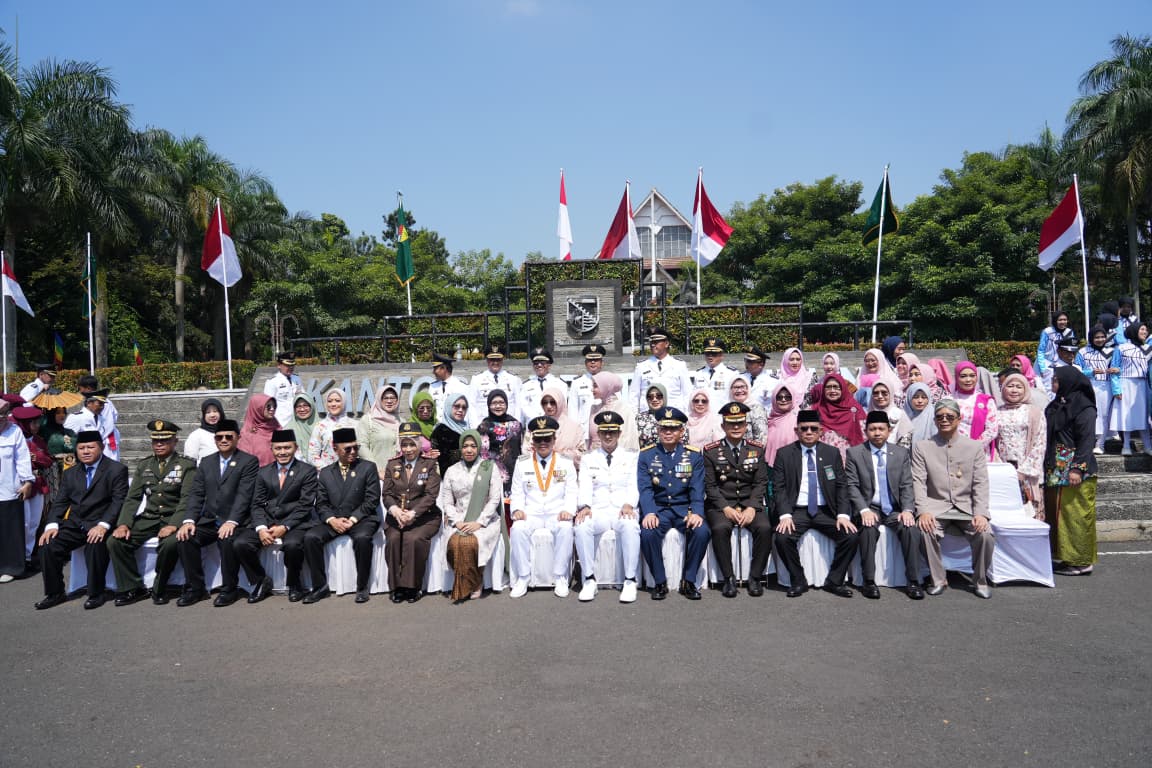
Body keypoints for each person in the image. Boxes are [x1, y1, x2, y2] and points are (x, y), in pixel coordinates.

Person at [166, 418, 262, 608]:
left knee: (227, 539)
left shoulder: (248, 461)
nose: (223, 440)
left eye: (228, 436)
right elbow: (197, 494)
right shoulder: (207, 462)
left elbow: (244, 496)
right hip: (210, 520)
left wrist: (232, 521)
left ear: (238, 438)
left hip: (237, 521)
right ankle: (196, 589)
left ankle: (229, 589)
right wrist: (188, 520)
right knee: (185, 538)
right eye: (219, 437)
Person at [106, 420, 198, 606]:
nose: (159, 444)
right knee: (115, 541)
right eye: (156, 441)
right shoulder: (145, 465)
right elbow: (133, 498)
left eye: (165, 441)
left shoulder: (186, 465)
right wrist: (123, 524)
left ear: (175, 442)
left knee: (170, 544)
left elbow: (186, 499)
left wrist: (174, 525)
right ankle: (133, 587)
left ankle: (159, 586)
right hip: (150, 518)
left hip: (173, 518)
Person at [34, 430, 129, 610]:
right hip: (75, 524)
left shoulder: (116, 470)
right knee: (48, 545)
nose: (85, 451)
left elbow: (119, 501)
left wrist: (103, 525)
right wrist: (52, 525)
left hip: (102, 523)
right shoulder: (71, 473)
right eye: (81, 448)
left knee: (95, 545)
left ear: (101, 447)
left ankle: (96, 593)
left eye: (90, 447)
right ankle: (55, 593)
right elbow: (61, 501)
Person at [912, 399, 996, 599]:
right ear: (934, 420)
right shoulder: (922, 447)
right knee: (923, 530)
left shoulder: (974, 447)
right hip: (936, 506)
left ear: (959, 419)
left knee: (985, 535)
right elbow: (918, 482)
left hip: (966, 507)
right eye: (940, 417)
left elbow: (980, 483)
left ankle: (980, 580)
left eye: (950, 416)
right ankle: (938, 579)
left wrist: (981, 514)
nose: (944, 420)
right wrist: (923, 511)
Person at [771, 410, 857, 598]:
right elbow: (779, 487)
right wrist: (785, 514)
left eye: (813, 428)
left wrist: (843, 514)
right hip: (797, 510)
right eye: (804, 429)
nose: (809, 432)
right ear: (796, 431)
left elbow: (842, 485)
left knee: (850, 536)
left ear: (821, 431)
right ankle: (798, 580)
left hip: (825, 510)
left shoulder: (831, 453)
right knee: (782, 538)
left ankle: (835, 581)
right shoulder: (784, 454)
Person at [845, 411, 925, 600]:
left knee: (910, 529)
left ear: (889, 431)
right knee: (867, 529)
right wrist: (864, 510)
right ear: (866, 431)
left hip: (894, 508)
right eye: (872, 429)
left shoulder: (900, 453)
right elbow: (852, 486)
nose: (877, 433)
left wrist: (907, 510)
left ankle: (913, 581)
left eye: (881, 429)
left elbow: (906, 484)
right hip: (870, 506)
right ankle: (868, 581)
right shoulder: (855, 453)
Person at [637, 407, 709, 601]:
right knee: (647, 533)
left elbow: (697, 488)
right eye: (664, 428)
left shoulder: (693, 455)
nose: (668, 432)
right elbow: (645, 488)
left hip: (684, 509)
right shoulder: (646, 455)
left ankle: (689, 580)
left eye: (673, 428)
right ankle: (660, 582)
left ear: (681, 431)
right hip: (659, 509)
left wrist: (697, 512)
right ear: (658, 430)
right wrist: (649, 512)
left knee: (702, 532)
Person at [303, 427, 381, 604]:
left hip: (361, 519)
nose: (353, 452)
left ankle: (362, 587)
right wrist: (332, 520)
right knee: (310, 538)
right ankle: (320, 587)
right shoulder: (326, 472)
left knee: (362, 539)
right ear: (335, 448)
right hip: (335, 519)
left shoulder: (368, 467)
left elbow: (372, 499)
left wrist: (353, 519)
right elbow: (321, 503)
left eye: (356, 447)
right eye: (348, 449)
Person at [703, 402, 772, 598]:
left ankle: (755, 577)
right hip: (722, 504)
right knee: (720, 528)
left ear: (745, 426)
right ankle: (728, 578)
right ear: (723, 426)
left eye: (740, 423)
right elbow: (710, 486)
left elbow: (760, 482)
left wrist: (751, 508)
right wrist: (726, 508)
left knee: (765, 528)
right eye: (731, 423)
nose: (735, 427)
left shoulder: (756, 449)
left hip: (750, 503)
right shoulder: (711, 450)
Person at [574, 411, 641, 603]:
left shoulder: (631, 456)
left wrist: (630, 503)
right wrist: (585, 505)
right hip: (599, 510)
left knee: (630, 526)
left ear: (619, 433)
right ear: (598, 434)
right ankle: (589, 579)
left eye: (612, 432)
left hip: (622, 508)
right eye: (604, 432)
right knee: (581, 526)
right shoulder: (589, 458)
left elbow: (634, 484)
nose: (608, 436)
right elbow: (585, 484)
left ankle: (630, 580)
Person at [508, 416, 578, 598]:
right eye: (538, 439)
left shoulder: (566, 462)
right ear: (533, 441)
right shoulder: (522, 463)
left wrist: (568, 510)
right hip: (531, 513)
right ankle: (523, 576)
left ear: (554, 439)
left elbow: (572, 491)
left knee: (566, 528)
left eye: (547, 438)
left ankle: (560, 576)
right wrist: (517, 509)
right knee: (517, 529)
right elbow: (517, 491)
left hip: (557, 512)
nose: (543, 443)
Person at [251, 429, 318, 602]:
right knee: (240, 543)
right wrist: (261, 528)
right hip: (268, 522)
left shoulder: (307, 471)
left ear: (295, 448)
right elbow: (257, 504)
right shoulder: (263, 472)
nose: (282, 452)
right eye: (278, 448)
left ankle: (295, 584)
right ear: (271, 449)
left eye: (287, 448)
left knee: (293, 545)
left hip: (295, 523)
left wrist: (285, 526)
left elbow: (305, 505)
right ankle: (260, 580)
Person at [438, 430, 505, 603]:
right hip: (459, 518)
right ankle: (465, 581)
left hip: (486, 519)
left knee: (471, 542)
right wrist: (457, 521)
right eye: (465, 446)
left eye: (473, 446)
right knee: (455, 542)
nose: (469, 450)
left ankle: (476, 581)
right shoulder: (452, 470)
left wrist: (480, 522)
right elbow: (447, 501)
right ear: (461, 448)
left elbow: (494, 499)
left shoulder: (489, 467)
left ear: (479, 448)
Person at [1044, 367, 1099, 576]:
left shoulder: (1084, 408)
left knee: (1075, 514)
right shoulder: (1058, 404)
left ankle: (1081, 561)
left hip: (1075, 468)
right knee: (1059, 514)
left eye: (1056, 380)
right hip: (1056, 465)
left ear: (1068, 382)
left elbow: (1086, 441)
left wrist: (1077, 468)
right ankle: (1067, 557)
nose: (1053, 383)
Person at [380, 422, 442, 603]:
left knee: (413, 539)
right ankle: (396, 586)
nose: (408, 449)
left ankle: (413, 586)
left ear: (419, 443)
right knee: (393, 539)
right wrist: (395, 511)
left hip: (425, 516)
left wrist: (412, 514)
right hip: (397, 515)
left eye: (412, 444)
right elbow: (387, 494)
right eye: (404, 444)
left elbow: (431, 495)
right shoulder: (392, 464)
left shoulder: (430, 464)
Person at [997, 373, 1048, 518]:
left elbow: (1040, 442)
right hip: (1003, 471)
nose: (1014, 390)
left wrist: (1023, 471)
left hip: (1027, 473)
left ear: (1025, 389)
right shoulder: (997, 411)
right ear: (1003, 388)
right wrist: (1000, 466)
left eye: (1019, 387)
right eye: (1010, 386)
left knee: (1030, 515)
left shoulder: (1035, 412)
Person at [12, 405, 51, 569]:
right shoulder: (15, 438)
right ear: (25, 424)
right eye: (33, 423)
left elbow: (48, 460)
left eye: (37, 422)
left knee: (34, 522)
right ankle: (18, 556)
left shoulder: (38, 440)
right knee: (24, 522)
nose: (37, 426)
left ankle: (28, 556)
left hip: (38, 483)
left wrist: (37, 457)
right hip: (21, 485)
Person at [0, 400, 35, 584]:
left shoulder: (14, 431)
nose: (2, 419)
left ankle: (11, 567)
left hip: (8, 488)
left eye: (4, 415)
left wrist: (27, 481)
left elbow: (22, 458)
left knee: (10, 530)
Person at [1109, 322, 1151, 456]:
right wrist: (1116, 389)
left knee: (1144, 417)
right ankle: (1126, 446)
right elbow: (1114, 369)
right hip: (1125, 384)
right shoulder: (1122, 348)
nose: (1145, 332)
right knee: (1125, 415)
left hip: (1143, 386)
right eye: (1142, 329)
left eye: (1146, 330)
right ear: (1134, 331)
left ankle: (1148, 446)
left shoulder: (1148, 348)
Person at [630, 327, 694, 412]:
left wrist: (686, 415)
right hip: (648, 414)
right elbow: (634, 394)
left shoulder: (679, 365)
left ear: (666, 344)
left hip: (672, 414)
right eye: (651, 342)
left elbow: (687, 393)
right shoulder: (642, 366)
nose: (653, 345)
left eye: (656, 342)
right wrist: (634, 415)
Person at [1079, 326, 1120, 454]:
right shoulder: (1083, 352)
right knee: (1088, 414)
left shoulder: (1112, 351)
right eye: (1097, 337)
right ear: (1091, 338)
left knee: (1104, 415)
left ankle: (1100, 444)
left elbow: (1120, 368)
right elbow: (1076, 369)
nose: (1100, 339)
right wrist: (1091, 372)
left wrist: (1117, 370)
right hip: (1088, 385)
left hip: (1105, 386)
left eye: (1102, 337)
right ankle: (1088, 442)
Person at [477, 389, 523, 493]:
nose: (498, 406)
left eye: (501, 403)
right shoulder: (484, 426)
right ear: (489, 405)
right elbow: (482, 453)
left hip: (514, 471)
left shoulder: (515, 424)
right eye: (494, 403)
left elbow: (521, 449)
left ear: (506, 404)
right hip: (492, 472)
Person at [811, 373, 865, 458]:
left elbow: (863, 436)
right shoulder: (815, 410)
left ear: (843, 388)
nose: (832, 390)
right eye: (828, 387)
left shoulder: (855, 409)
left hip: (850, 459)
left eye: (836, 387)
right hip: (824, 458)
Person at [953, 361, 999, 458]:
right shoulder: (949, 400)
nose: (968, 380)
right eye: (963, 376)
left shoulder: (986, 401)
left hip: (979, 452)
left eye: (972, 375)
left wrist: (973, 447)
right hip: (954, 452)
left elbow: (992, 430)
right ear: (956, 378)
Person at [469, 343, 523, 426]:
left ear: (502, 360)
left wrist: (516, 425)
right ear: (487, 360)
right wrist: (476, 427)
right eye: (492, 360)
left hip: (508, 425)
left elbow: (518, 404)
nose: (495, 362)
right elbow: (471, 405)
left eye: (498, 360)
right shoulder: (477, 379)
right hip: (484, 425)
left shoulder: (513, 379)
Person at [587, 371, 638, 452]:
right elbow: (590, 439)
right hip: (594, 456)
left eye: (595, 386)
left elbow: (628, 439)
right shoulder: (594, 408)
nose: (592, 389)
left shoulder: (623, 409)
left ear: (606, 386)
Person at [308, 389, 357, 469]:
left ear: (344, 402)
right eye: (330, 401)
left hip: (352, 471)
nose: (333, 404)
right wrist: (328, 471)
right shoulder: (320, 426)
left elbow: (360, 451)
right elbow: (312, 454)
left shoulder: (355, 425)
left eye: (337, 401)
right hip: (327, 472)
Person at [567, 343, 607, 441]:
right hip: (584, 433)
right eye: (589, 360)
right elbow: (573, 411)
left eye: (596, 360)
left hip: (605, 431)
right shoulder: (577, 383)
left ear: (602, 362)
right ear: (585, 363)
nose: (593, 362)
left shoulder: (609, 381)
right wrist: (575, 433)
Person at [537, 385, 584, 466]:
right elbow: (527, 449)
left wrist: (562, 456)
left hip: (567, 469)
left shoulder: (575, 427)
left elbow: (582, 451)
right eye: (545, 403)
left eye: (552, 402)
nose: (548, 406)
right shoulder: (536, 425)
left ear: (559, 402)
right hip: (540, 468)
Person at [359, 384, 401, 475]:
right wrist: (376, 469)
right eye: (385, 398)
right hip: (375, 474)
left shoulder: (401, 421)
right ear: (379, 399)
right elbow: (362, 446)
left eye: (392, 398)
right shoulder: (368, 420)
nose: (389, 401)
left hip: (398, 474)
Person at [77, 377, 120, 461]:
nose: (80, 392)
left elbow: (108, 424)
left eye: (80, 389)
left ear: (88, 388)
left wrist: (96, 440)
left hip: (105, 440)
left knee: (109, 465)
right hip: (98, 440)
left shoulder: (103, 403)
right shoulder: (91, 401)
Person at [520, 347, 564, 424]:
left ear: (549, 365)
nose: (539, 365)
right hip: (533, 424)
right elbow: (523, 406)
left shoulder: (560, 384)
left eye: (543, 363)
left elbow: (562, 406)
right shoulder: (526, 385)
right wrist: (537, 418)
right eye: (536, 363)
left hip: (554, 424)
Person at [694, 337, 740, 410]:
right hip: (703, 414)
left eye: (714, 354)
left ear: (722, 355)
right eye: (707, 353)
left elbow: (737, 398)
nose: (710, 356)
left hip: (722, 414)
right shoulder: (698, 373)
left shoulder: (731, 374)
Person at [430, 393, 470, 476]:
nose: (460, 410)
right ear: (449, 407)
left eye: (464, 407)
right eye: (457, 406)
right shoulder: (440, 431)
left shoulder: (467, 427)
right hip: (450, 477)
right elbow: (440, 461)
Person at [761, 384, 800, 466]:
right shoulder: (770, 419)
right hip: (771, 466)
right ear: (774, 399)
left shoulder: (799, 418)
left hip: (793, 465)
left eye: (788, 397)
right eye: (779, 397)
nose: (783, 400)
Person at [237, 393, 278, 467]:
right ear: (258, 408)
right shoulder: (247, 435)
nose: (272, 409)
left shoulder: (277, 427)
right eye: (268, 406)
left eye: (274, 406)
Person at [1036, 311, 1075, 388]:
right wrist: (1043, 369)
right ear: (1055, 321)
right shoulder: (1047, 331)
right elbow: (1041, 350)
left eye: (1065, 320)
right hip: (1046, 363)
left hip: (1062, 364)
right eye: (1060, 320)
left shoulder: (1069, 332)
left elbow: (1071, 349)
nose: (1062, 322)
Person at [427, 353, 471, 422]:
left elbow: (467, 411)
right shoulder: (433, 386)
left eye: (435, 368)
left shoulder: (460, 387)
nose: (433, 372)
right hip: (437, 426)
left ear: (443, 368)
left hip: (454, 426)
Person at [263, 352, 301, 427]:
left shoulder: (297, 379)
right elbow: (267, 403)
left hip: (297, 421)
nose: (291, 368)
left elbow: (302, 396)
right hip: (280, 423)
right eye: (287, 365)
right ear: (279, 365)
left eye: (292, 365)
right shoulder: (272, 381)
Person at [184, 397, 226, 465]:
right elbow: (189, 461)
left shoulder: (230, 432)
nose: (212, 415)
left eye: (215, 411)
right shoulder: (196, 435)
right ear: (204, 415)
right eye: (208, 412)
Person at [727, 377, 767, 443]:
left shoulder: (756, 408)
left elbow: (762, 438)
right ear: (730, 390)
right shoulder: (727, 409)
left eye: (742, 387)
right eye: (735, 387)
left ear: (748, 388)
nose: (739, 390)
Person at [899, 383, 937, 449]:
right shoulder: (902, 416)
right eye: (916, 397)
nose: (920, 401)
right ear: (909, 398)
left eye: (924, 397)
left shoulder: (934, 417)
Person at [288, 393, 317, 458]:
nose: (302, 409)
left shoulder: (323, 426)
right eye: (298, 406)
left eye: (305, 405)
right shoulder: (287, 430)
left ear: (312, 406)